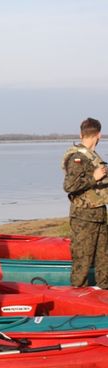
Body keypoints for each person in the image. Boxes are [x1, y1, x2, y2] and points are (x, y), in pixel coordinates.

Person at [62, 117, 108, 288]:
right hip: (83, 217)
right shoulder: (77, 158)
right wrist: (94, 177)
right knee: (82, 260)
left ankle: (104, 296)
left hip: (99, 214)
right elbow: (69, 186)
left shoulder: (93, 157)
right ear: (99, 135)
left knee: (104, 259)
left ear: (81, 134)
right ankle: (77, 298)